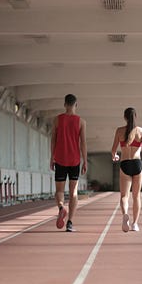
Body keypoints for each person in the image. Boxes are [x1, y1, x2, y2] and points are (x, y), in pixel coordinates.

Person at [111, 107, 142, 232]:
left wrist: (115, 156)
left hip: (125, 164)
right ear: (136, 117)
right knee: (136, 196)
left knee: (124, 196)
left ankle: (125, 215)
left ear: (125, 117)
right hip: (137, 164)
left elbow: (113, 150)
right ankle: (135, 224)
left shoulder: (119, 131)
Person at [50, 94, 87, 232]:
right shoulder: (81, 122)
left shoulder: (57, 120)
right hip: (74, 160)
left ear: (65, 104)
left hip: (60, 159)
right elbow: (83, 143)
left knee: (59, 191)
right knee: (73, 193)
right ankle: (70, 223)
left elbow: (53, 140)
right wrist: (85, 161)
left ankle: (61, 207)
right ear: (76, 105)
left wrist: (51, 158)